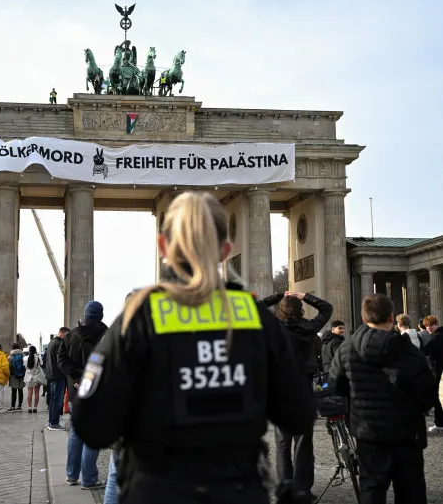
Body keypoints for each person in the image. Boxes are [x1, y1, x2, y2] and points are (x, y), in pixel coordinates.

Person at [71, 192, 316, 504]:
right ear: (225, 250)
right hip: (238, 491)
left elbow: (91, 425)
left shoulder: (140, 317)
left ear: (163, 247)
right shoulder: (254, 316)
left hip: (156, 491)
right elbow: (298, 415)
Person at [330, 294, 438, 503]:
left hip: (367, 431)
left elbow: (336, 386)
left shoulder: (346, 348)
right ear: (391, 317)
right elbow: (428, 392)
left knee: (371, 490)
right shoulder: (407, 349)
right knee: (411, 491)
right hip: (406, 432)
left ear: (364, 318)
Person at [261, 289, 332, 500]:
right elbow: (327, 308)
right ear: (301, 310)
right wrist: (305, 296)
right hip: (303, 388)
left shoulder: (273, 328)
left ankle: (285, 487)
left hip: (279, 390)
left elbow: (256, 307)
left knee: (282, 444)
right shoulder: (308, 327)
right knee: (303, 443)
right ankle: (302, 489)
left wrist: (277, 296)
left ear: (281, 310)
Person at [58, 301, 108, 489]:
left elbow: (61, 360)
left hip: (76, 391)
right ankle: (89, 479)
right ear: (101, 315)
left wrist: (77, 377)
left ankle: (71, 475)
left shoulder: (71, 335)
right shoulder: (107, 336)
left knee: (76, 433)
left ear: (85, 315)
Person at [422, 315, 443, 433]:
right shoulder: (439, 335)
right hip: (438, 368)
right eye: (427, 326)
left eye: (432, 325)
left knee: (436, 396)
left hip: (437, 369)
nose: (429, 327)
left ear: (436, 324)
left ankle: (439, 422)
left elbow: (426, 350)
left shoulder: (436, 337)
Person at [45, 327, 69, 430]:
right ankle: (54, 423)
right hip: (58, 375)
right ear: (62, 333)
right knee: (57, 400)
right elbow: (62, 360)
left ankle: (51, 421)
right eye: (67, 335)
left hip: (51, 375)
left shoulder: (52, 342)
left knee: (53, 400)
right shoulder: (59, 343)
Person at [24, 345, 47, 413]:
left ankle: (29, 408)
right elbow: (41, 364)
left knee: (29, 392)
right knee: (37, 393)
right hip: (37, 377)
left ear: (29, 351)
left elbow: (25, 366)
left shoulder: (25, 358)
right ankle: (35, 408)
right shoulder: (38, 358)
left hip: (29, 377)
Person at [8, 343, 26, 411]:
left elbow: (9, 366)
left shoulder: (10, 356)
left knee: (13, 391)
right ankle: (19, 406)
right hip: (21, 375)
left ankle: (13, 406)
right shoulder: (23, 355)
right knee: (20, 390)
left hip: (13, 375)